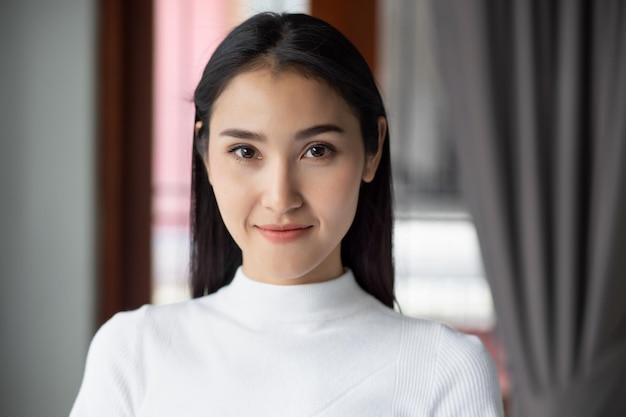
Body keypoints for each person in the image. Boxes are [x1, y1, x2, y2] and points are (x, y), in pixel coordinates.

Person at [70, 12, 504, 416]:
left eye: (317, 151)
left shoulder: (445, 371)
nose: (281, 198)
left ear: (372, 150)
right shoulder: (133, 352)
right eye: (245, 151)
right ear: (204, 153)